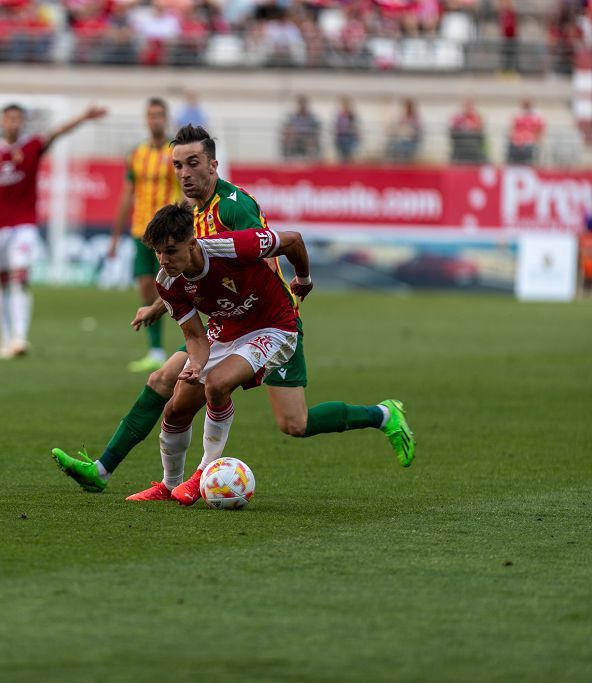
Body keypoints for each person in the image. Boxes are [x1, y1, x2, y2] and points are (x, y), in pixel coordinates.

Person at [51, 125, 414, 497]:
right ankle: (109, 471)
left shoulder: (233, 208)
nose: (184, 174)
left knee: (294, 423)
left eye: (193, 164)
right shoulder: (192, 214)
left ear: (213, 164)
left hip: (269, 320)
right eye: (178, 166)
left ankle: (382, 414)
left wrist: (301, 278)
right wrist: (162, 306)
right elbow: (190, 269)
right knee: (166, 386)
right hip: (226, 322)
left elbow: (259, 254)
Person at [137, 204, 414, 506]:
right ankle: (168, 484)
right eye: (158, 252)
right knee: (177, 409)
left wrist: (304, 279)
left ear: (192, 243)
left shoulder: (232, 246)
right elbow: (194, 335)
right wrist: (198, 364)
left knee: (219, 385)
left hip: (273, 326)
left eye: (171, 251)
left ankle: (203, 472)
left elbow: (293, 240)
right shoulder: (167, 281)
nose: (164, 260)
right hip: (226, 329)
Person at [0, 102, 108, 359]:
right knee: (1, 283)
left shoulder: (31, 146)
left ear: (22, 122)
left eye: (18, 119)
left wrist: (83, 117)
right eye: (9, 118)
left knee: (20, 278)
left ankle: (20, 338)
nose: (14, 123)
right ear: (2, 121)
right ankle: (4, 339)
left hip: (24, 225)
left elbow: (57, 132)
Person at [107, 97, 183, 373]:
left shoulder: (176, 152)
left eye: (160, 115)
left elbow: (187, 190)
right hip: (141, 231)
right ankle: (155, 350)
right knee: (145, 286)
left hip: (171, 234)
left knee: (179, 289)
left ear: (167, 118)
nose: (155, 120)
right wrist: (115, 237)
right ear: (145, 119)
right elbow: (127, 195)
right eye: (151, 115)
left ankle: (199, 344)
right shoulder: (137, 154)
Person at [280, 95, 321, 162]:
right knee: (288, 138)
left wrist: (311, 133)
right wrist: (288, 131)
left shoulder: (311, 117)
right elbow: (288, 126)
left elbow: (316, 127)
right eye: (300, 104)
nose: (302, 106)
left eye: (303, 104)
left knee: (311, 141)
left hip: (307, 137)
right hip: (296, 137)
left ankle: (311, 160)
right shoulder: (293, 116)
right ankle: (288, 160)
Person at [506, 99, 545, 165]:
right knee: (513, 146)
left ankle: (528, 163)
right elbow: (512, 128)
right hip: (517, 140)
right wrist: (513, 137)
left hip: (530, 140)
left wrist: (535, 139)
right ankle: (513, 163)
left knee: (528, 148)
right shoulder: (517, 114)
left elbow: (540, 130)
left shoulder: (536, 115)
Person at [449, 99, 486, 164]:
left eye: (469, 105)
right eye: (466, 105)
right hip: (460, 146)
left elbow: (479, 129)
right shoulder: (457, 118)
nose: (468, 107)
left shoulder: (476, 117)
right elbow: (453, 131)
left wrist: (469, 127)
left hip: (474, 146)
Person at [333, 97, 360, 164]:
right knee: (342, 150)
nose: (345, 107)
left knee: (349, 149)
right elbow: (337, 127)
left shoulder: (352, 116)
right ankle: (343, 161)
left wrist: (355, 132)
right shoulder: (339, 116)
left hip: (350, 137)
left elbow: (355, 127)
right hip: (341, 137)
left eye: (347, 105)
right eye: (344, 105)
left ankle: (348, 160)